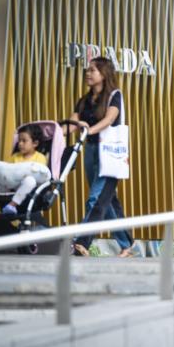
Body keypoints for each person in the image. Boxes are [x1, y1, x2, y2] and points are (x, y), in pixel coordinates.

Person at [65, 57, 134, 257]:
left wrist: (89, 129)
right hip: (92, 152)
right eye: (87, 70)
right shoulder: (84, 100)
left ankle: (82, 243)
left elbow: (110, 118)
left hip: (110, 154)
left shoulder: (114, 95)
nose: (88, 73)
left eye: (92, 70)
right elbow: (72, 122)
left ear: (103, 74)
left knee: (96, 199)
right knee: (108, 199)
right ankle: (127, 244)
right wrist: (55, 132)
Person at [0, 124, 48, 215]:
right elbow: (7, 171)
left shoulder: (40, 158)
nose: (20, 144)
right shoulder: (15, 157)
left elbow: (40, 176)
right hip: (7, 187)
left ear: (35, 143)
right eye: (19, 140)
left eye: (24, 141)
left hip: (24, 189)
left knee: (30, 180)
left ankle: (12, 205)